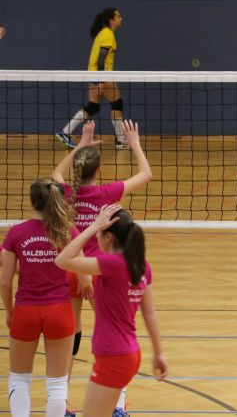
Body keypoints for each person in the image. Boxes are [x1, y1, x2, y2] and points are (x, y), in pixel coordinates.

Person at [50, 121, 152, 417]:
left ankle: (61, 404)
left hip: (71, 269)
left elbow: (56, 174)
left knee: (71, 338)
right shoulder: (108, 193)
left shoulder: (65, 192)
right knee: (118, 333)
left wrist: (80, 146)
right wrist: (134, 144)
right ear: (99, 171)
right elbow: (146, 174)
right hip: (100, 273)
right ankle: (118, 405)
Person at [54, 204, 166, 417]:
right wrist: (158, 353)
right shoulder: (142, 265)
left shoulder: (111, 264)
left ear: (108, 237)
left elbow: (62, 260)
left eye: (99, 233)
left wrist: (93, 226)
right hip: (130, 353)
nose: (96, 237)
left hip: (113, 356)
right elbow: (149, 313)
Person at [2, 179, 83, 417]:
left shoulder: (16, 232)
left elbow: (5, 281)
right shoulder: (68, 232)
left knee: (19, 379)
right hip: (59, 311)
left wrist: (9, 312)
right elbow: (83, 273)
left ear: (32, 201)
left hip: (25, 310)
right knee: (57, 384)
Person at [58, 9, 128, 150]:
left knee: (93, 107)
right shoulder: (107, 34)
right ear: (111, 19)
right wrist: (100, 81)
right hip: (103, 75)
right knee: (117, 103)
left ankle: (65, 132)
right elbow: (101, 58)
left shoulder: (103, 33)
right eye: (118, 16)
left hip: (94, 74)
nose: (121, 18)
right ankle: (120, 140)